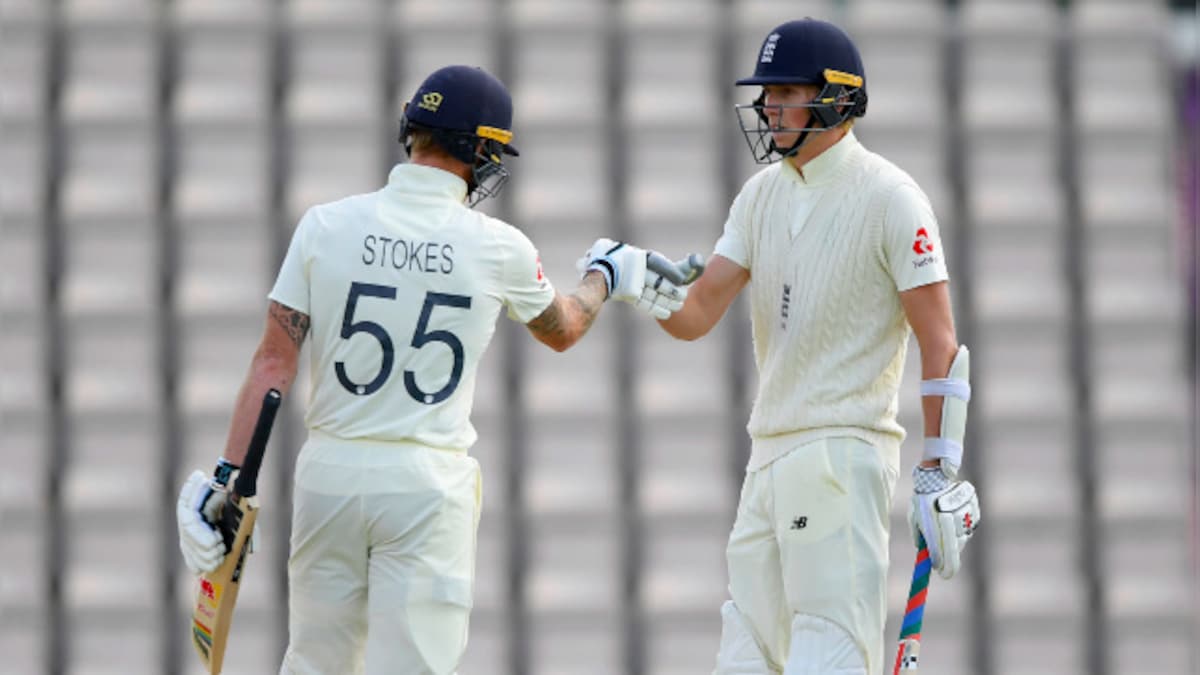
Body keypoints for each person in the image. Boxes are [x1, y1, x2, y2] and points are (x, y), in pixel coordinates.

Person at [174, 64, 688, 674]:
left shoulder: (325, 225)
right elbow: (565, 328)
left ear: (411, 131)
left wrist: (226, 478)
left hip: (329, 476)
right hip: (424, 483)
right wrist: (608, 275)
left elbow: (272, 362)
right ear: (479, 151)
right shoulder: (499, 246)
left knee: (315, 661)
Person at [653, 19, 982, 674]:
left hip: (842, 452)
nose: (769, 107)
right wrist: (642, 288)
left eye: (786, 92)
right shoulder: (759, 196)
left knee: (827, 656)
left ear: (835, 98)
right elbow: (696, 313)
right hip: (767, 456)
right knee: (744, 659)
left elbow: (939, 340)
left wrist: (939, 466)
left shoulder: (892, 197)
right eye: (767, 93)